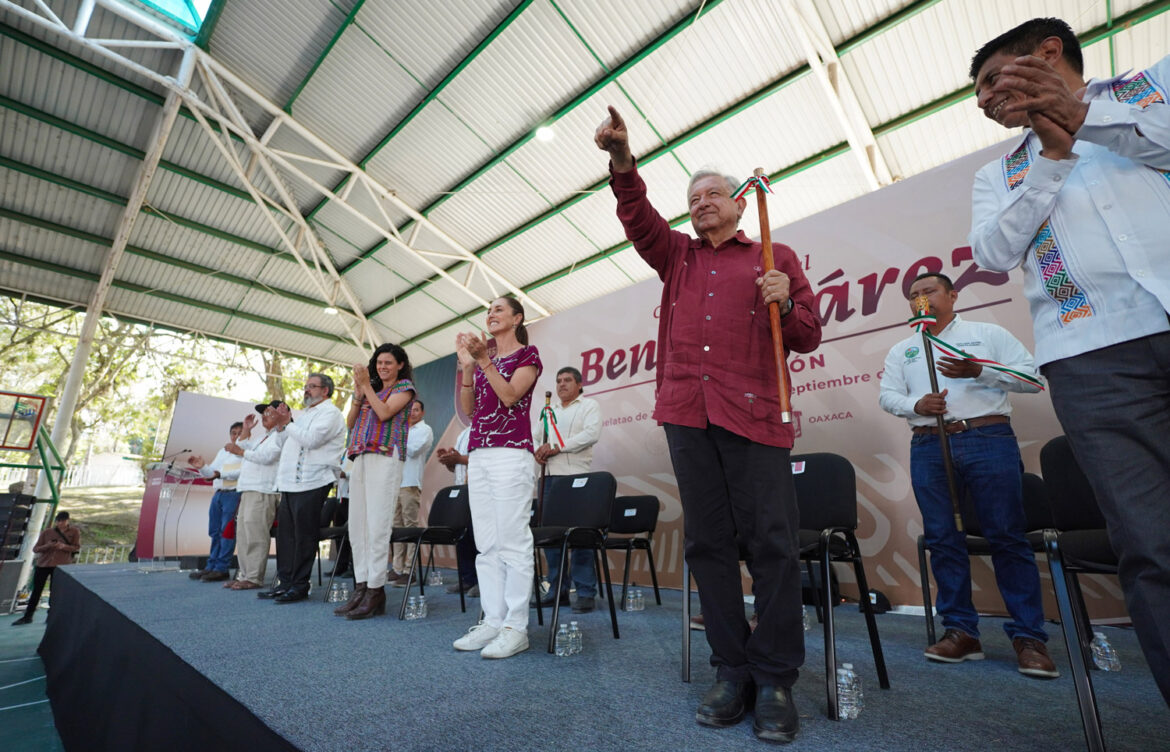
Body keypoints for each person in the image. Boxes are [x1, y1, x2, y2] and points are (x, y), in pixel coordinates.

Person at [595, 106, 821, 743]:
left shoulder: (777, 256)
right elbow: (639, 221)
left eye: (713, 195)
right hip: (688, 417)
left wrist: (785, 299)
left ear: (740, 206)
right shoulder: (678, 259)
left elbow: (806, 335)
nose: (701, 205)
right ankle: (732, 669)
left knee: (773, 545)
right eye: (692, 199)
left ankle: (775, 676)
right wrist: (622, 162)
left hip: (756, 417)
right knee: (708, 546)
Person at [968, 17, 1170, 704]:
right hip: (1091, 360)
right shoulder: (1001, 173)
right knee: (1150, 545)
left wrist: (1083, 120)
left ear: (1048, 53)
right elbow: (993, 254)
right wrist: (1053, 160)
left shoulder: (1150, 89)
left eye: (994, 80)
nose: (986, 101)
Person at [879, 272, 1057, 678]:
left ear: (953, 295)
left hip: (987, 437)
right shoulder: (903, 349)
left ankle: (1029, 637)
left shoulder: (986, 334)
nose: (921, 298)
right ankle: (961, 631)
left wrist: (980, 372)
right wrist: (916, 405)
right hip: (928, 445)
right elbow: (887, 396)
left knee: (1007, 536)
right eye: (913, 295)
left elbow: (1033, 379)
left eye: (929, 291)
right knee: (943, 540)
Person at [451, 297, 542, 659]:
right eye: (488, 310)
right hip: (481, 454)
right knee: (486, 543)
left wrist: (484, 361)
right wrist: (468, 369)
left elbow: (508, 396)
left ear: (517, 318)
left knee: (513, 542)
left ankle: (515, 627)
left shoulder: (528, 356)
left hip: (511, 452)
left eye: (499, 309)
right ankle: (492, 620)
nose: (491, 314)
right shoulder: (484, 361)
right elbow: (471, 411)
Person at [334, 345, 416, 620]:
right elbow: (350, 422)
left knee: (377, 526)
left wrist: (367, 386)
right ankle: (361, 586)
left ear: (401, 365)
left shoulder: (404, 388)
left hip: (386, 456)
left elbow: (383, 414)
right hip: (361, 456)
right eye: (379, 362)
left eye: (388, 363)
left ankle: (375, 589)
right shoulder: (372, 389)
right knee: (358, 526)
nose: (383, 367)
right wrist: (358, 394)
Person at [258, 373, 346, 604]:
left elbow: (312, 440)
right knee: (286, 536)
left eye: (312, 387)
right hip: (289, 483)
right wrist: (280, 426)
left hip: (313, 480)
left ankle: (300, 585)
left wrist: (287, 423)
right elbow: (281, 445)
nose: (306, 390)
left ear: (325, 390)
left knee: (304, 536)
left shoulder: (331, 413)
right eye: (306, 387)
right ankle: (284, 582)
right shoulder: (303, 415)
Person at [534, 366, 602, 613]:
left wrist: (556, 447)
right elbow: (536, 438)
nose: (562, 384)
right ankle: (557, 591)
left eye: (567, 380)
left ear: (580, 384)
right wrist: (539, 451)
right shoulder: (547, 410)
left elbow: (591, 434)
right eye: (558, 380)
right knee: (551, 539)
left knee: (580, 537)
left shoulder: (589, 406)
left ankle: (585, 592)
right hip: (549, 479)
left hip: (575, 479)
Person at [224, 401, 286, 590]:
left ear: (281, 414)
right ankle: (244, 574)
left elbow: (267, 457)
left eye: (268, 412)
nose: (263, 416)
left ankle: (253, 577)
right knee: (243, 534)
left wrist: (241, 451)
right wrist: (246, 429)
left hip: (263, 490)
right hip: (249, 489)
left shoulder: (281, 436)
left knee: (256, 534)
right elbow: (243, 445)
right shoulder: (263, 437)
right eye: (263, 413)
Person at [187, 422, 243, 583]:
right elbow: (211, 473)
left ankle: (221, 568)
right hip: (218, 494)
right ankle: (211, 566)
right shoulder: (223, 451)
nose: (236, 436)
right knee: (215, 531)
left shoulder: (247, 452)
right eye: (233, 433)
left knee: (226, 532)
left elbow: (239, 473)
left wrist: (218, 474)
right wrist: (202, 467)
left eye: (240, 433)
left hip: (234, 494)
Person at [390, 400, 433, 587]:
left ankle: (410, 570)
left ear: (422, 412)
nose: (412, 413)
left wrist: (397, 437)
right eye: (409, 410)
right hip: (394, 483)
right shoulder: (401, 431)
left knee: (410, 527)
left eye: (416, 410)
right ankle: (397, 568)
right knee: (396, 528)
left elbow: (413, 451)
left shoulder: (424, 430)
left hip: (410, 483)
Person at [12, 511, 79, 626]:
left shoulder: (74, 532)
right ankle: (28, 616)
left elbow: (76, 547)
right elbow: (36, 549)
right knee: (36, 591)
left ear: (68, 521)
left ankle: (51, 616)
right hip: (43, 564)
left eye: (63, 521)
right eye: (58, 521)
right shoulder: (48, 532)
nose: (60, 523)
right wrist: (48, 545)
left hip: (60, 566)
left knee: (55, 592)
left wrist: (63, 546)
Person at [437, 426, 478, 596]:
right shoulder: (463, 432)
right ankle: (467, 579)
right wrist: (450, 461)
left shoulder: (484, 427)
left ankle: (482, 582)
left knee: (478, 538)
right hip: (462, 490)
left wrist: (459, 458)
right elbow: (458, 466)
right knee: (463, 537)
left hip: (479, 489)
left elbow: (486, 460)